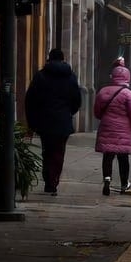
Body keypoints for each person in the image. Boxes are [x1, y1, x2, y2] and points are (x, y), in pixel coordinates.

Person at [24, 48, 83, 195]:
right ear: (63, 59)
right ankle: (54, 179)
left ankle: (48, 178)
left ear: (49, 59)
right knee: (59, 152)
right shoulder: (71, 77)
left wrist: (32, 122)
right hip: (63, 120)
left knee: (47, 150)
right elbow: (77, 99)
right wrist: (69, 112)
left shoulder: (40, 76)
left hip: (45, 121)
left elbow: (30, 100)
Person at [93, 59, 131, 196]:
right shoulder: (128, 94)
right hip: (124, 131)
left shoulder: (103, 91)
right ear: (127, 77)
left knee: (107, 155)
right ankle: (124, 184)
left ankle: (107, 179)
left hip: (107, 127)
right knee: (123, 158)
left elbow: (97, 112)